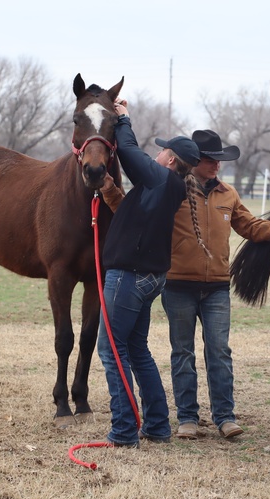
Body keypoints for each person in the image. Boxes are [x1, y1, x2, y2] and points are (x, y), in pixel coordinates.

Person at [163, 130, 270, 440]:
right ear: (194, 161)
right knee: (183, 353)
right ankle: (187, 418)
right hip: (177, 286)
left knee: (220, 352)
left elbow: (251, 227)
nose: (217, 165)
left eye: (219, 160)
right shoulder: (171, 190)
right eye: (210, 160)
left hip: (216, 288)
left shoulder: (228, 194)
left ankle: (225, 417)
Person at [96, 98, 205, 448]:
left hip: (128, 277)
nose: (156, 156)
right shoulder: (167, 186)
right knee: (137, 349)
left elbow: (128, 151)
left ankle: (125, 430)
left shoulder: (161, 179)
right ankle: (156, 425)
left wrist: (124, 119)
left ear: (170, 160)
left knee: (112, 349)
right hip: (147, 278)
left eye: (161, 152)